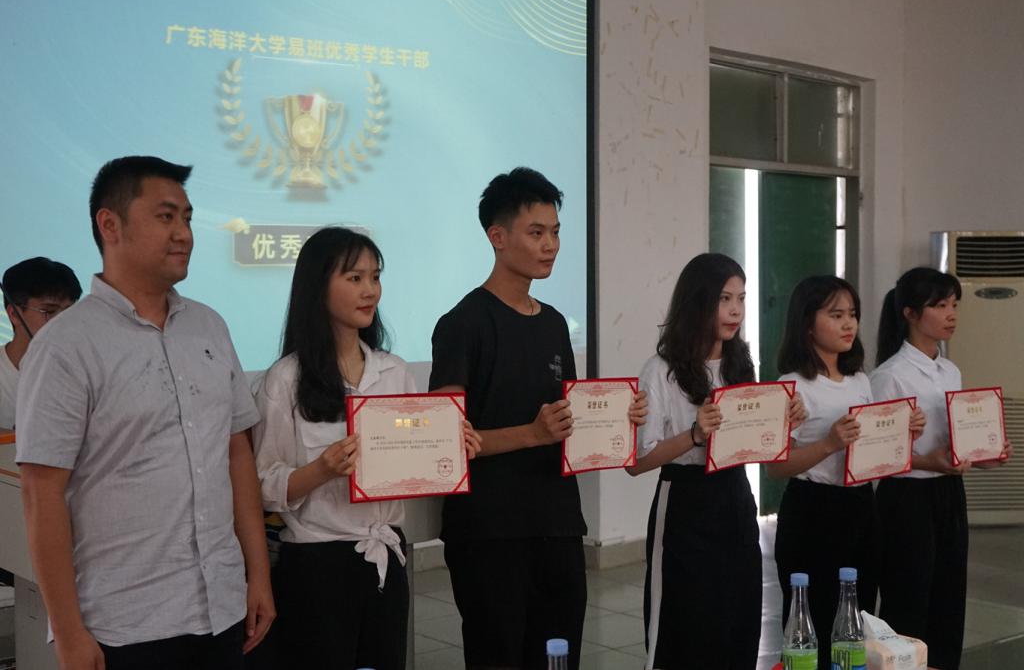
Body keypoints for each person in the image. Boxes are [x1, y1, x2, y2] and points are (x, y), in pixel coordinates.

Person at [16, 156, 274, 670]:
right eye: (165, 216)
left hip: (221, 606)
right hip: (125, 623)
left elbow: (236, 455)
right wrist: (67, 632)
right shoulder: (66, 345)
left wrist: (258, 575)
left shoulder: (209, 327)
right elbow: (41, 493)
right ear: (109, 225)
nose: (183, 233)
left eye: (188, 218)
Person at [429, 167, 647, 670]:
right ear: (497, 237)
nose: (550, 245)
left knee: (559, 655)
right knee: (499, 655)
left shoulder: (553, 324)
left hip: (558, 523)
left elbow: (566, 420)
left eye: (555, 232)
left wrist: (617, 419)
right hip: (489, 531)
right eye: (536, 232)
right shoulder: (462, 324)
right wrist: (530, 434)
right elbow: (445, 442)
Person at [252, 226, 481, 669]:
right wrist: (321, 469)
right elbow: (262, 485)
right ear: (318, 287)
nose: (370, 290)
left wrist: (452, 449)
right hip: (318, 563)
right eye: (354, 278)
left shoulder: (394, 372)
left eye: (375, 277)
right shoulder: (285, 380)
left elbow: (416, 458)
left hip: (386, 554)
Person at [627, 253, 806, 670]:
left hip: (734, 497)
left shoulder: (739, 363)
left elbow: (757, 446)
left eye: (741, 299)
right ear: (698, 301)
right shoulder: (660, 371)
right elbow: (637, 461)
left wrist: (785, 422)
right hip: (684, 500)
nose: (736, 310)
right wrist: (694, 434)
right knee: (687, 626)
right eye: (725, 299)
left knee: (737, 619)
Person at [769, 275, 923, 669]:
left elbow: (872, 452)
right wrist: (828, 443)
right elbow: (776, 466)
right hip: (812, 510)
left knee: (857, 616)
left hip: (860, 506)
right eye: (835, 315)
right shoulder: (792, 385)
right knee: (814, 618)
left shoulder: (860, 381)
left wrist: (902, 432)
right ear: (807, 323)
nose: (848, 324)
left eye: (852, 314)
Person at [871, 267, 1012, 670]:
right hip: (906, 497)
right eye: (940, 305)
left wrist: (986, 454)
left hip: (948, 492)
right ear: (910, 313)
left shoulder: (950, 370)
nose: (951, 314)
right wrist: (926, 461)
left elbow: (955, 440)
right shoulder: (890, 376)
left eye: (954, 305)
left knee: (949, 598)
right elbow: (876, 454)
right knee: (908, 598)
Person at [0, 257, 81, 430]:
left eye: (70, 312)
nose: (63, 322)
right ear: (14, 314)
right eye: (49, 311)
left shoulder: (85, 373)